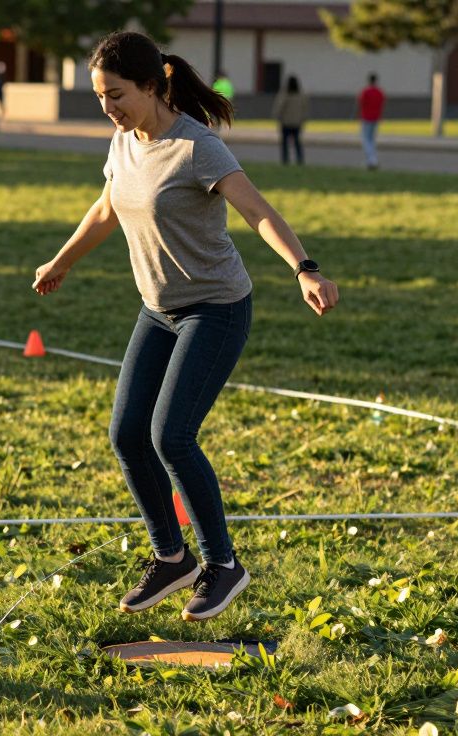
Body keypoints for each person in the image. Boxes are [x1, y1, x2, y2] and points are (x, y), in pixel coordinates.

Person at [32, 31, 338, 622]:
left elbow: (257, 210)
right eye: (100, 96)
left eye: (116, 95)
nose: (108, 108)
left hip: (216, 308)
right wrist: (61, 261)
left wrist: (305, 269)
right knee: (127, 435)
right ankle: (172, 559)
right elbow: (106, 207)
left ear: (152, 87)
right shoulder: (123, 142)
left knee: (171, 435)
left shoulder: (196, 148)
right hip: (158, 309)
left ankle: (223, 564)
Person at [272, 75, 308, 165]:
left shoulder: (284, 95)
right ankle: (300, 160)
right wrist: (303, 119)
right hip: (297, 123)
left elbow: (279, 107)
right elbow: (305, 109)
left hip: (286, 122)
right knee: (297, 143)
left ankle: (285, 160)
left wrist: (277, 117)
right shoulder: (301, 95)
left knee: (284, 143)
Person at [358, 73, 385, 170]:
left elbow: (361, 103)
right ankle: (372, 160)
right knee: (372, 140)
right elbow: (381, 104)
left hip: (367, 118)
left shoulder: (365, 92)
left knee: (366, 140)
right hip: (376, 118)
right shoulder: (380, 92)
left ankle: (372, 160)